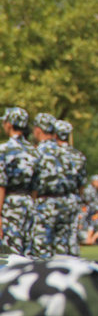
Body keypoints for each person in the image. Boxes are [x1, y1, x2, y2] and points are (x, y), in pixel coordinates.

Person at [0, 107, 40, 256]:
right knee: (28, 253)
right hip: (29, 203)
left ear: (9, 124)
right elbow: (36, 187)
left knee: (11, 254)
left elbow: (1, 185)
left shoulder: (4, 150)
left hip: (10, 205)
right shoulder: (34, 151)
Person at [31, 112, 71, 258]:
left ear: (38, 130)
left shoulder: (35, 152)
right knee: (62, 253)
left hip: (43, 205)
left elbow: (33, 182)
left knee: (41, 252)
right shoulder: (66, 152)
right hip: (64, 204)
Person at [54, 119, 86, 256]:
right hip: (73, 199)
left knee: (55, 239)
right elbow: (82, 184)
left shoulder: (52, 153)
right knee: (72, 238)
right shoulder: (78, 155)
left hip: (55, 199)